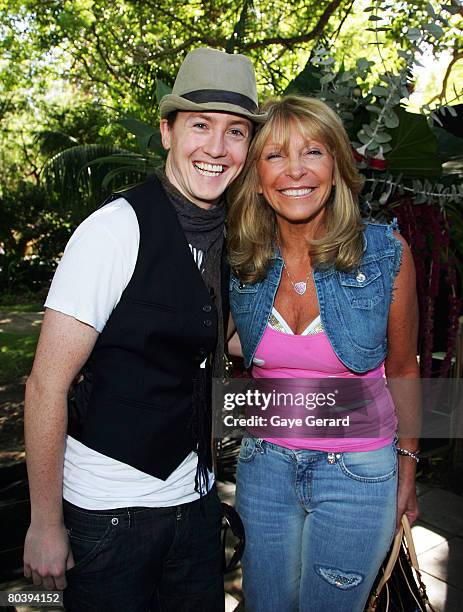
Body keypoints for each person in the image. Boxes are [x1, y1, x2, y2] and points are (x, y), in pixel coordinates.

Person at [22, 47, 266, 612]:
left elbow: (216, 338)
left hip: (196, 501)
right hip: (110, 511)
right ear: (166, 131)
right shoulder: (112, 232)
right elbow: (45, 387)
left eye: (235, 131)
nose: (216, 147)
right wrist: (44, 525)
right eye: (200, 126)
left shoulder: (229, 236)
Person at [227, 95, 420, 612]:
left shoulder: (385, 254)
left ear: (336, 167)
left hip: (357, 473)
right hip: (263, 466)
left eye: (312, 152)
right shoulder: (241, 260)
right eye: (274, 156)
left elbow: (404, 369)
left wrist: (407, 474)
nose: (294, 171)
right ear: (257, 175)